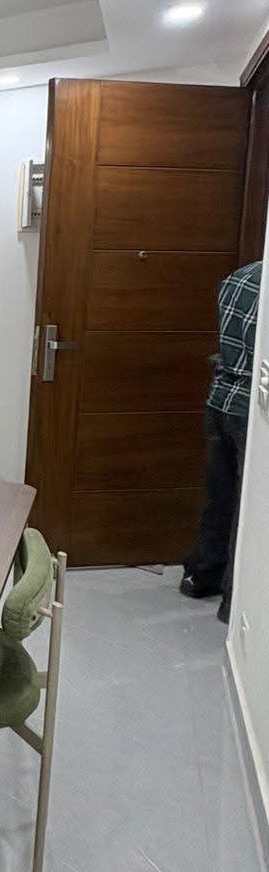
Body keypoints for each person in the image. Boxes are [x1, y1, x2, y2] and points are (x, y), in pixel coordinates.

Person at [180, 258, 262, 624]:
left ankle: (203, 574)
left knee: (221, 495)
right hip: (250, 411)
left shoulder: (241, 277)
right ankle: (234, 600)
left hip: (219, 401)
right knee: (249, 507)